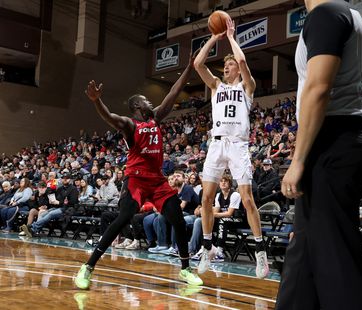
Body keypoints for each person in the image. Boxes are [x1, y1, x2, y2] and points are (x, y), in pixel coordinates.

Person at [276, 1, 362, 309]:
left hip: (332, 141)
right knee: (304, 251)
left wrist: (298, 158)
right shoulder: (349, 15)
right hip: (344, 138)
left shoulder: (326, 14)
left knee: (337, 258)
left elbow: (319, 88)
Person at [74, 52, 202, 290]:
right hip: (135, 180)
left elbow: (174, 91)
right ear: (136, 106)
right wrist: (96, 101)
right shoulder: (130, 124)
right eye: (145, 100)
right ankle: (88, 267)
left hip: (157, 181)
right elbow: (110, 117)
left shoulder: (156, 119)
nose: (150, 102)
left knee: (177, 219)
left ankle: (185, 269)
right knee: (123, 218)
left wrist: (188, 69)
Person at [193, 16, 268, 278]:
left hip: (238, 145)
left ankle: (260, 253)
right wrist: (215, 37)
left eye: (230, 65)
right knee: (205, 198)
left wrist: (232, 38)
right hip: (216, 144)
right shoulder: (215, 86)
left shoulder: (248, 87)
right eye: (225, 66)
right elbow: (198, 63)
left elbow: (244, 61)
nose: (227, 68)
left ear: (237, 69)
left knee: (247, 199)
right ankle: (206, 248)